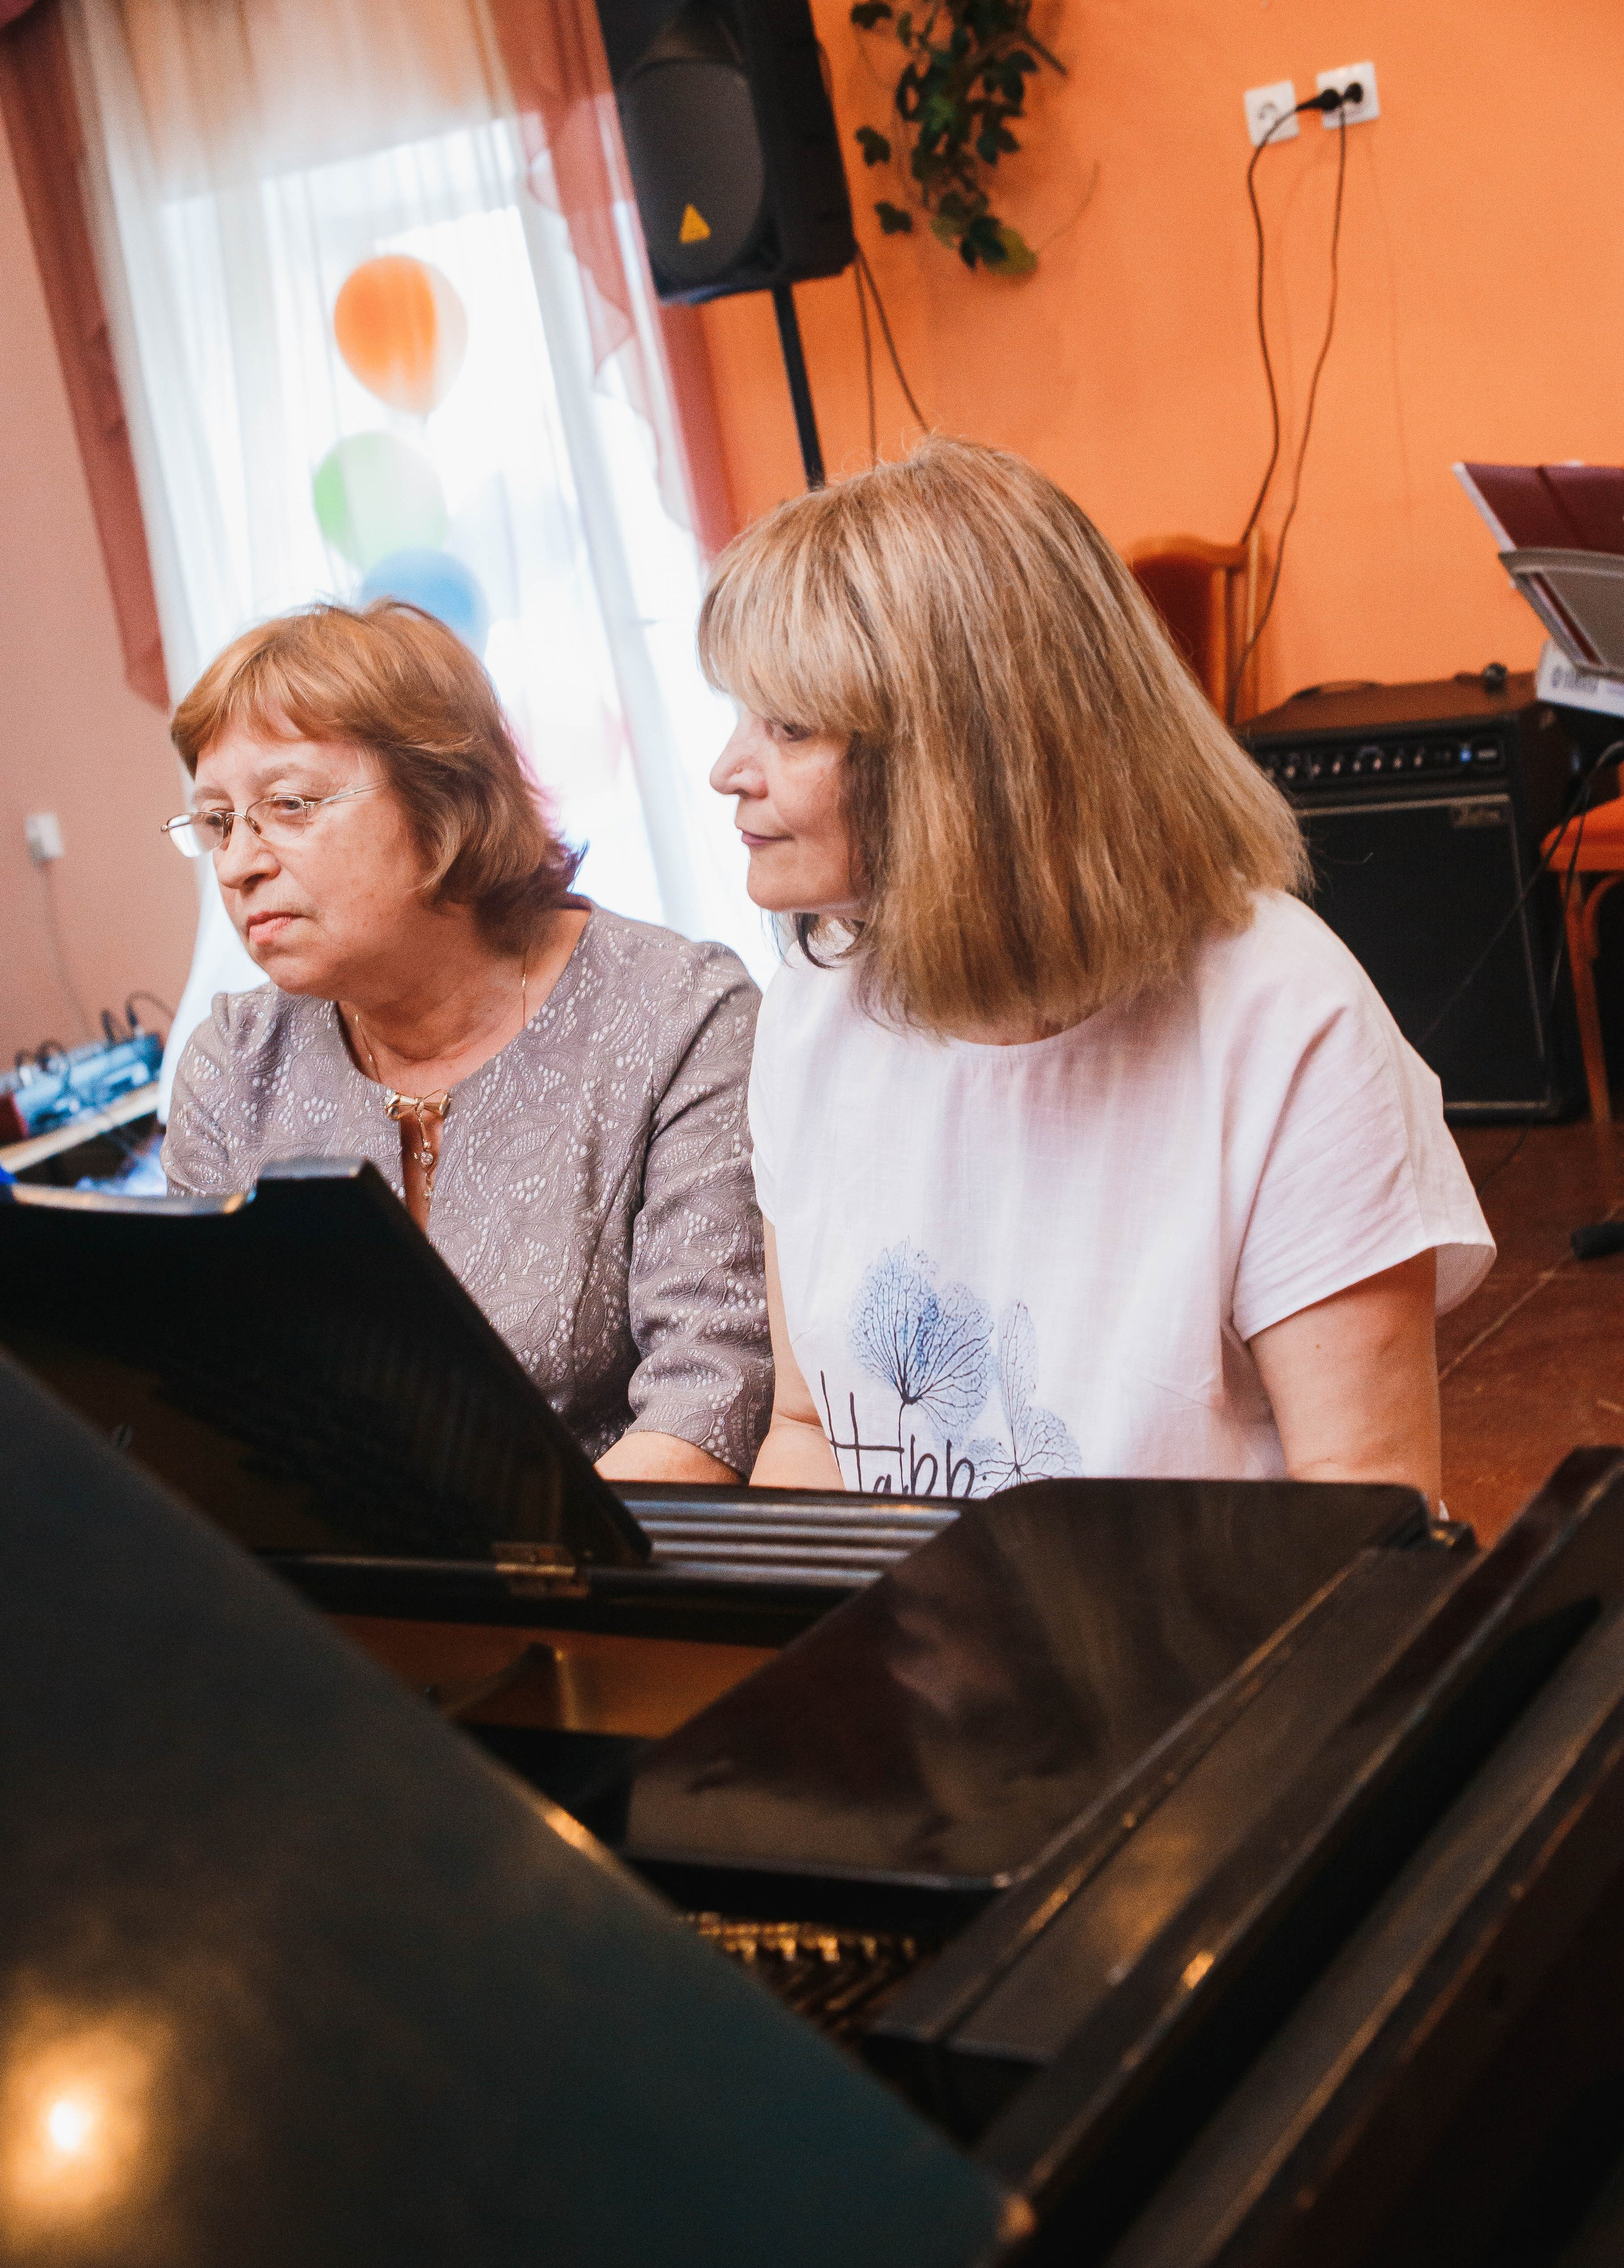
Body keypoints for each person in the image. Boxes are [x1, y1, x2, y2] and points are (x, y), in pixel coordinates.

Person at [704, 436, 1494, 1505]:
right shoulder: (818, 993)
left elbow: (1365, 1513)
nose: (727, 772)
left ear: (961, 756)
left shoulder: (1282, 1018)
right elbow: (809, 1427)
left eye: (788, 727)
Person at [160, 600, 770, 1485]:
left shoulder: (681, 1017)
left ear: (441, 804)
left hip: (612, 1585)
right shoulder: (235, 1062)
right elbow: (200, 1400)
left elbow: (710, 1402)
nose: (237, 863)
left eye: (288, 806)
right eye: (217, 822)